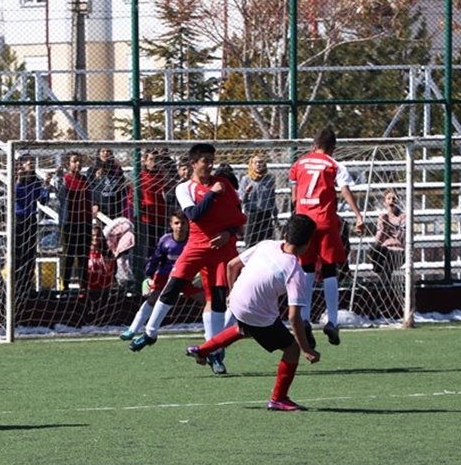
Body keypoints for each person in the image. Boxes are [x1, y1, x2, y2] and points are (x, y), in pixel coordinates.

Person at [128, 143, 247, 376]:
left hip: (221, 248)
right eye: (205, 161)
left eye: (212, 160)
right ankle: (150, 333)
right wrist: (212, 194)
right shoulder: (185, 188)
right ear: (193, 163)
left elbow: (238, 217)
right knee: (172, 286)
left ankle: (213, 352)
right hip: (196, 245)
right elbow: (194, 214)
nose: (210, 165)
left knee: (217, 299)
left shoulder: (223, 184)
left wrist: (228, 233)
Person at [185, 214, 320, 411]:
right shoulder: (295, 271)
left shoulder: (267, 244)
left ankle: (202, 350)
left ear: (285, 234)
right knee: (292, 350)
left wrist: (231, 293)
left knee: (244, 329)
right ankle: (279, 399)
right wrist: (306, 349)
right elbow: (293, 317)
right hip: (255, 313)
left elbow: (232, 265)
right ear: (308, 244)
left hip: (236, 301)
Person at [290, 127, 364, 346]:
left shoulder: (299, 163)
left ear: (313, 145)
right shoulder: (334, 165)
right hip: (325, 221)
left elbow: (294, 193)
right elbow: (345, 190)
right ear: (333, 148)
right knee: (330, 269)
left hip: (303, 221)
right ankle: (332, 321)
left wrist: (296, 214)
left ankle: (305, 318)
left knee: (306, 269)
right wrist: (358, 215)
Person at [120, 210, 204, 341]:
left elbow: (202, 258)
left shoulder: (193, 241)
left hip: (187, 276)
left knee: (206, 300)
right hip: (165, 276)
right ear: (171, 224)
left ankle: (220, 329)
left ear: (188, 225)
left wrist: (200, 273)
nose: (180, 226)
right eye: (176, 223)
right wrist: (148, 277)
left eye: (183, 223)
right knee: (152, 299)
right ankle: (132, 330)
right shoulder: (165, 241)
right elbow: (155, 259)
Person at [52, 152, 93, 289]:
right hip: (69, 223)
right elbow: (59, 193)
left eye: (79, 161)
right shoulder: (65, 180)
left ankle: (84, 286)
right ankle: (64, 286)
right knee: (69, 255)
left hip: (84, 222)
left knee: (83, 256)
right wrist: (57, 177)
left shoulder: (85, 180)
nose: (78, 164)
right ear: (68, 164)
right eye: (74, 161)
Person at [13, 154, 49, 295]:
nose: (31, 165)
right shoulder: (15, 180)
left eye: (33, 163)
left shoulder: (35, 181)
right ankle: (16, 284)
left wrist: (46, 185)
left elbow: (43, 200)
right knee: (18, 253)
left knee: (29, 254)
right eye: (29, 163)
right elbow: (16, 196)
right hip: (18, 219)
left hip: (31, 219)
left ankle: (27, 283)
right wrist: (19, 180)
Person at [136, 148, 170, 258]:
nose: (154, 163)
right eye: (151, 159)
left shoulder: (162, 175)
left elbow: (167, 192)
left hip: (161, 215)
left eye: (156, 159)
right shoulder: (140, 176)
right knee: (148, 247)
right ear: (145, 161)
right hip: (147, 217)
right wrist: (142, 206)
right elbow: (132, 195)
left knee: (161, 245)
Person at [238, 154, 277, 247]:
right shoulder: (246, 179)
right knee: (251, 244)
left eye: (261, 162)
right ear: (251, 164)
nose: (258, 164)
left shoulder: (269, 179)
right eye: (255, 162)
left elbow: (272, 198)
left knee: (267, 243)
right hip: (252, 214)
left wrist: (275, 215)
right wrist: (247, 192)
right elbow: (241, 200)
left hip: (266, 214)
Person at [369, 189, 406, 278]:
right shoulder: (383, 217)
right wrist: (383, 227)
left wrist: (395, 227)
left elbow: (401, 239)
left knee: (387, 260)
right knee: (376, 250)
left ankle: (384, 280)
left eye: (394, 198)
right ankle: (384, 278)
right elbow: (378, 240)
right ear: (384, 203)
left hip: (398, 250)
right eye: (389, 198)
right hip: (385, 249)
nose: (392, 201)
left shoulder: (403, 217)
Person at [89, 147, 127, 220]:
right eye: (103, 151)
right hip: (100, 209)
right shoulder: (92, 170)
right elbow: (89, 189)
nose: (105, 153)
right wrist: (94, 204)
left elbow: (122, 188)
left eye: (108, 151)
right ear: (98, 154)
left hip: (116, 208)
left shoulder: (117, 169)